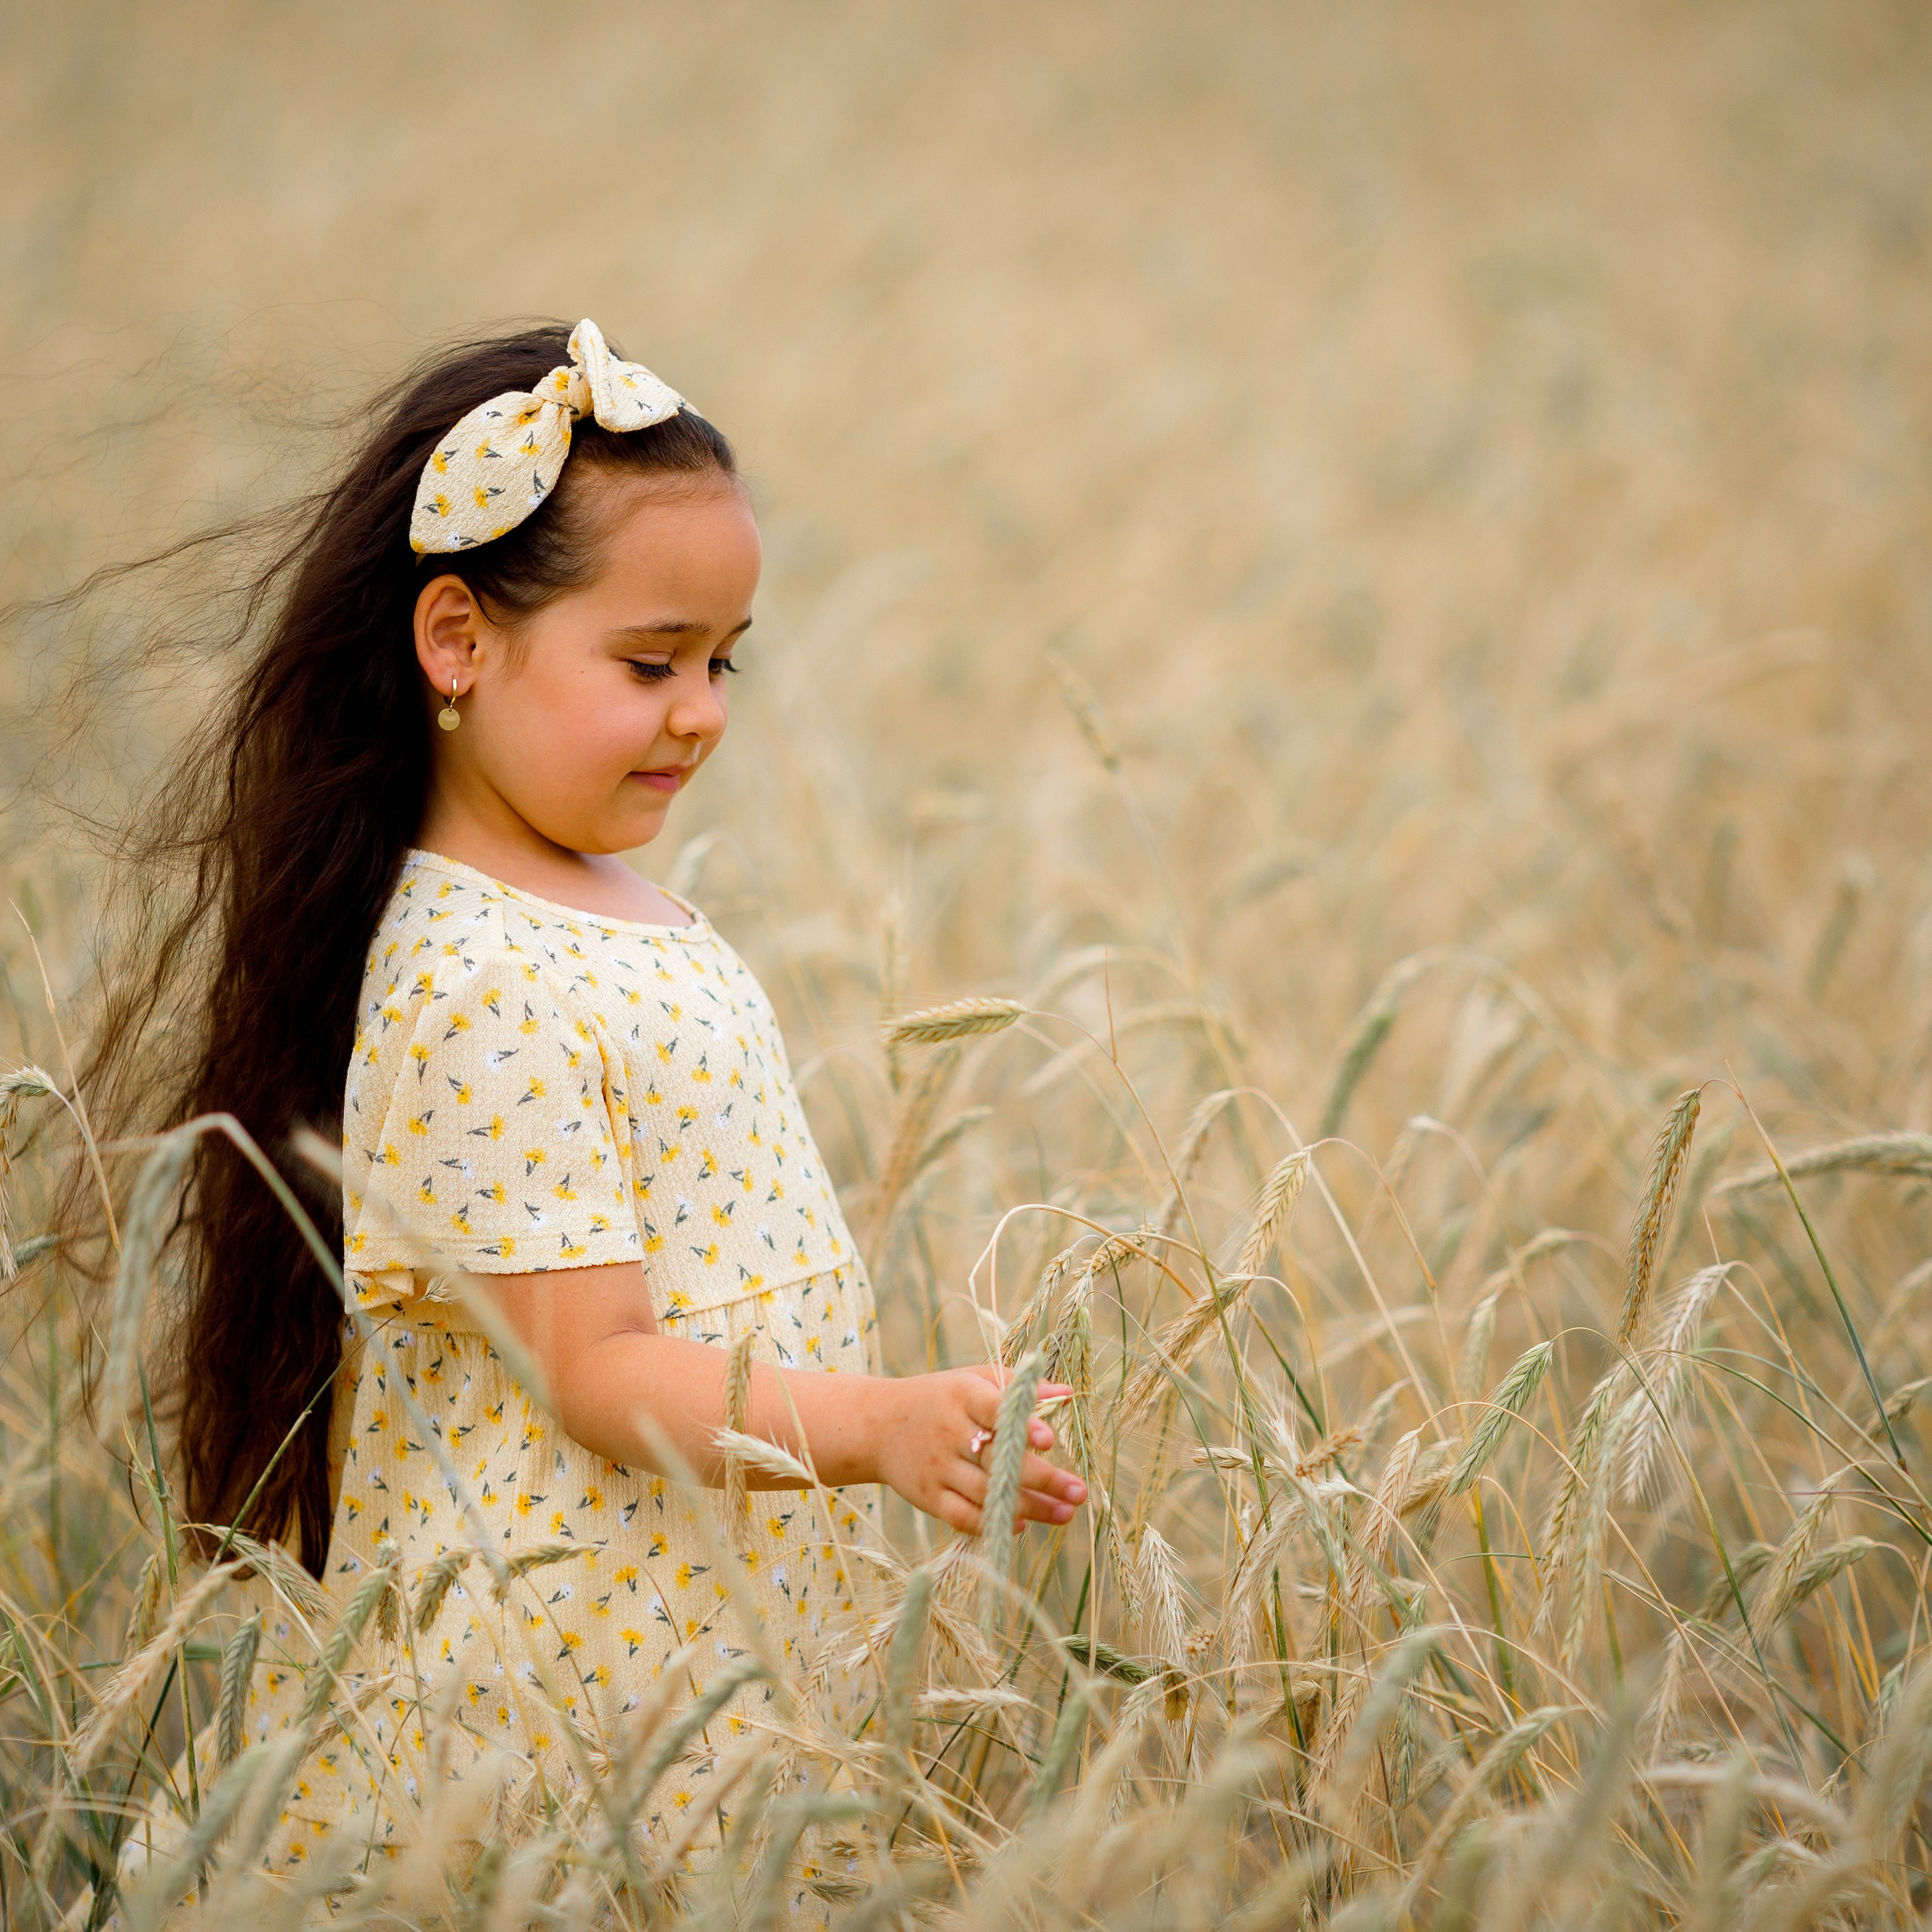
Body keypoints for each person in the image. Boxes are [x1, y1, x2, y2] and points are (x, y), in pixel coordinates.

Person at [89, 318, 1084, 1916]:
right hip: (557, 1679)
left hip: (692, 1625)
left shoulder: (603, 904)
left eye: (722, 660)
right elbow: (595, 1364)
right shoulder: (476, 970)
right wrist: (875, 1425)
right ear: (457, 641)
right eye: (648, 662)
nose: (698, 711)